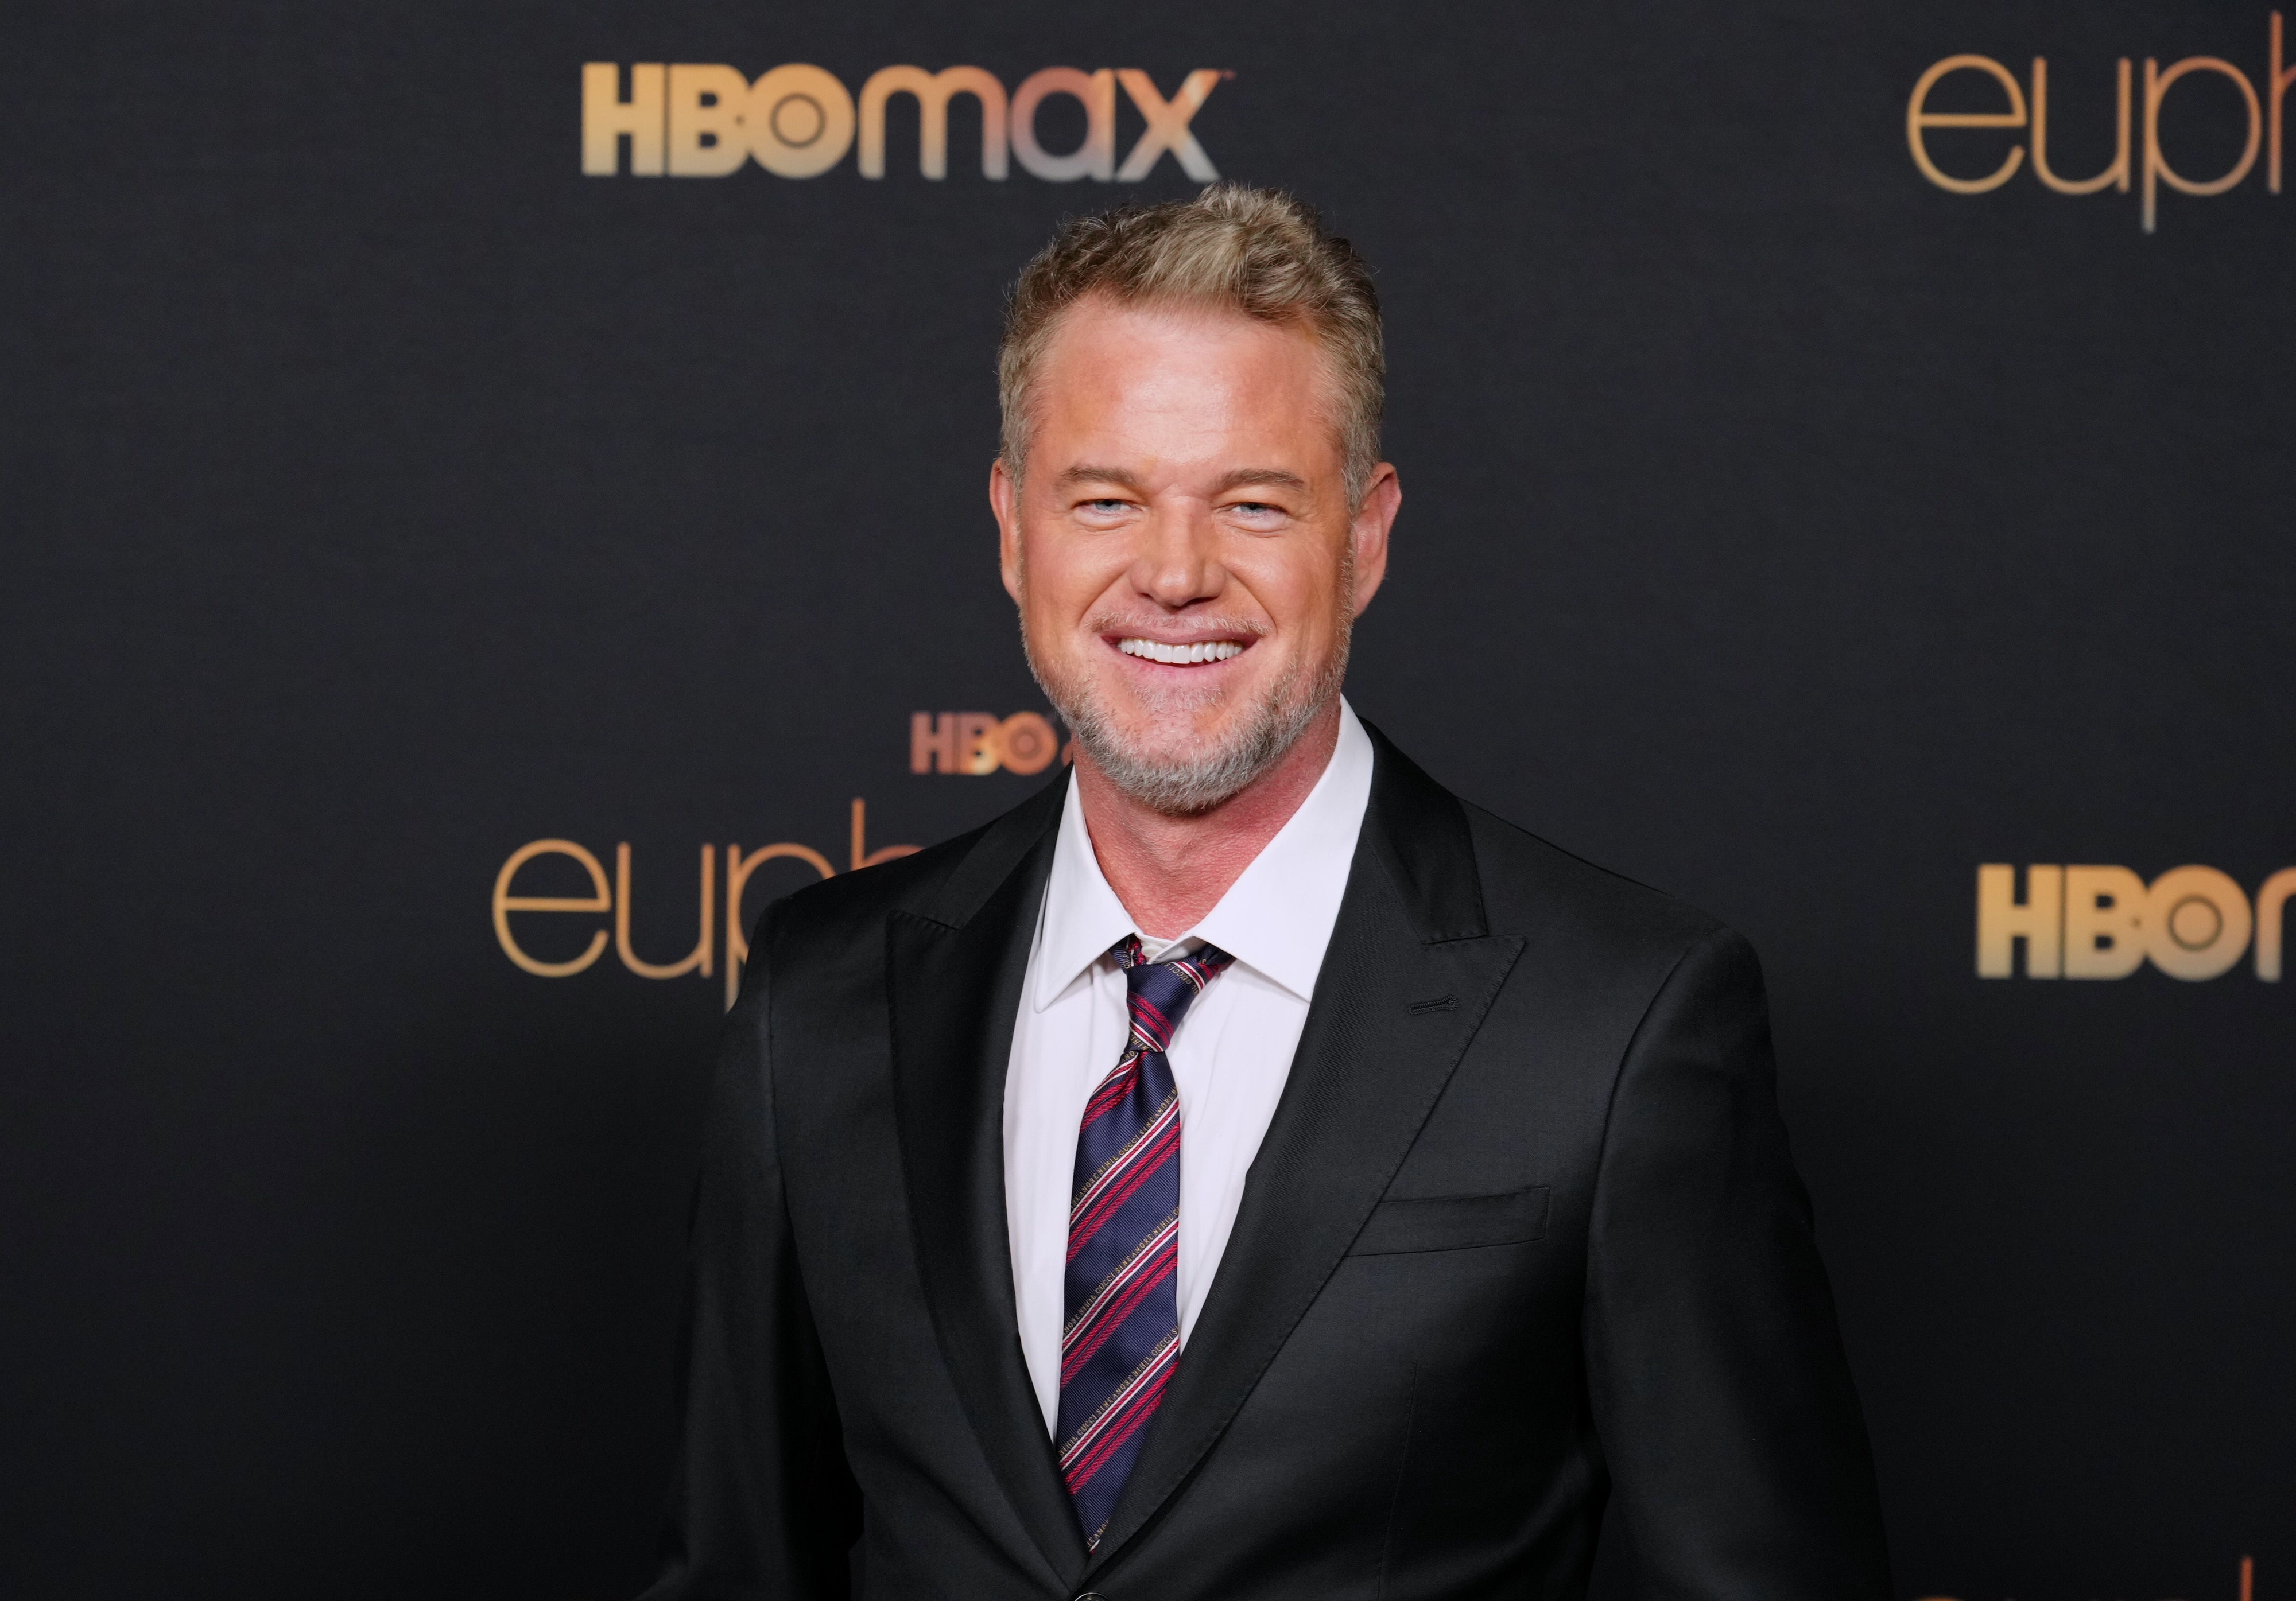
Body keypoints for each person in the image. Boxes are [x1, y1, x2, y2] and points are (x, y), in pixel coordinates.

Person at [639, 185, 1891, 1601]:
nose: (1173, 575)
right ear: (1011, 530)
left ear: (1363, 534)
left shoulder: (1619, 1021)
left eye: (1250, 502)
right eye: (1103, 499)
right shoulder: (821, 996)